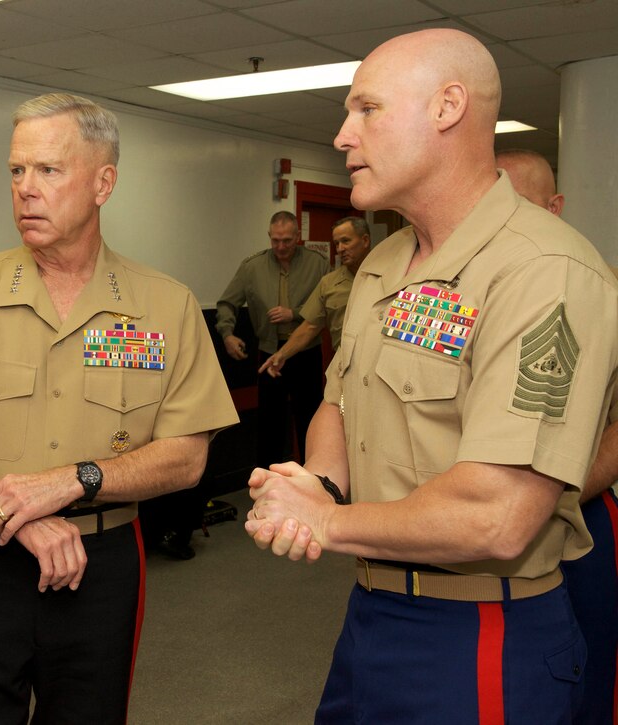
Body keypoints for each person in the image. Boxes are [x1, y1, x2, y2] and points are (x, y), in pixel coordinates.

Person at [245, 29, 618, 722]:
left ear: (448, 107)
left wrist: (327, 519)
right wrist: (317, 482)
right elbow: (342, 403)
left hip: (480, 631)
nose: (343, 135)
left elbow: (498, 515)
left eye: (367, 110)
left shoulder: (544, 271)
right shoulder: (384, 263)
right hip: (373, 612)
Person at [0, 92, 237, 724]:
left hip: (103, 563)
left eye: (48, 170)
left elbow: (186, 458)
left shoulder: (164, 305)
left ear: (103, 182)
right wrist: (20, 515)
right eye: (16, 171)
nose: (25, 190)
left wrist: (76, 481)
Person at [499, 146, 618, 724]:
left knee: (593, 664)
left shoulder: (601, 287)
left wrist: (563, 491)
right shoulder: (474, 290)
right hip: (488, 516)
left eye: (521, 205)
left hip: (582, 513)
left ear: (557, 206)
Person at [216, 211, 326, 467]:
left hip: (306, 352)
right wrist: (227, 334)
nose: (281, 246)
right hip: (269, 353)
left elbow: (326, 306)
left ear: (298, 237)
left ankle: (314, 479)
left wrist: (295, 313)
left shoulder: (317, 264)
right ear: (269, 236)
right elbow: (226, 303)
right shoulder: (252, 267)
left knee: (310, 421)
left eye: (287, 240)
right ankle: (266, 483)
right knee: (269, 423)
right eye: (275, 240)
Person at [258, 216, 371, 378]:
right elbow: (310, 326)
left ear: (365, 240)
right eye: (336, 243)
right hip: (347, 368)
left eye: (346, 241)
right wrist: (281, 354)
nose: (340, 249)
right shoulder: (329, 283)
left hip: (381, 366)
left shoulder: (392, 275)